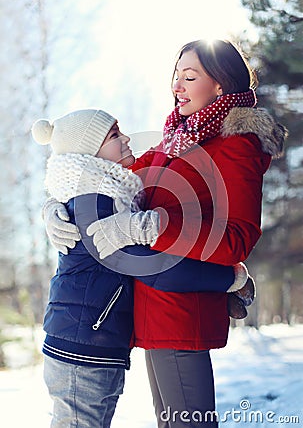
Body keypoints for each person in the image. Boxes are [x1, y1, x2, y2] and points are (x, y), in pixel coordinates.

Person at [42, 39, 288, 427]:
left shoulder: (234, 146)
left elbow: (238, 238)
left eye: (190, 77)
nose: (177, 86)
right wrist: (58, 206)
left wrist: (153, 226)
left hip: (181, 311)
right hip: (149, 310)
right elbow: (103, 176)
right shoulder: (172, 142)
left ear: (221, 85)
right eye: (176, 76)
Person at [33, 107, 254, 428]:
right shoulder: (98, 203)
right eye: (113, 136)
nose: (125, 139)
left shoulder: (109, 196)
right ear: (90, 154)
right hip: (81, 349)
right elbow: (157, 270)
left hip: (93, 346)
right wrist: (229, 278)